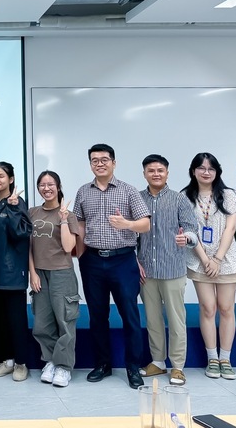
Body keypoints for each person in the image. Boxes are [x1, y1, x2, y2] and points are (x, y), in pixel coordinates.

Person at [72, 143, 150, 389]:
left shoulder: (129, 191)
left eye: (104, 159)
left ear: (114, 163)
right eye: (94, 160)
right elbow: (80, 224)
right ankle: (103, 364)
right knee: (97, 316)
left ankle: (133, 367)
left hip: (122, 260)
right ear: (90, 165)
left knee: (130, 315)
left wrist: (127, 224)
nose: (100, 164)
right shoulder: (83, 192)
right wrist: (81, 256)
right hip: (93, 261)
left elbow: (145, 224)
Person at [136, 154, 198, 387]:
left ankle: (178, 367)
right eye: (151, 170)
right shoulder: (137, 199)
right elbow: (131, 234)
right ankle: (158, 362)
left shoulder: (179, 199)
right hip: (146, 271)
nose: (156, 174)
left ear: (167, 173)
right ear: (144, 173)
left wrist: (187, 238)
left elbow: (192, 230)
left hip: (173, 269)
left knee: (176, 320)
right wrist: (135, 261)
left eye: (160, 170)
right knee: (152, 319)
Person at [182, 152, 236, 381]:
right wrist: (205, 259)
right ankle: (212, 358)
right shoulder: (185, 196)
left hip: (226, 259)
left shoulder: (228, 195)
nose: (206, 172)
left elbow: (230, 228)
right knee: (208, 308)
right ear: (193, 171)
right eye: (201, 168)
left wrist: (217, 259)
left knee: (226, 308)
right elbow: (189, 231)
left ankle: (225, 359)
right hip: (199, 260)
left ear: (217, 172)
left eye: (211, 168)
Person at [29, 171, 81, 388]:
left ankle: (64, 367)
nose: (46, 188)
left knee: (65, 321)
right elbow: (28, 247)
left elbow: (69, 247)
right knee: (42, 323)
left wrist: (63, 220)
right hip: (39, 274)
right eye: (42, 185)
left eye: (51, 184)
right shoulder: (32, 212)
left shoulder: (69, 215)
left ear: (58, 187)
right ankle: (50, 361)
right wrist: (32, 273)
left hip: (62, 274)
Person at [0, 162, 33, 382]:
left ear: (11, 179)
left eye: (1, 176)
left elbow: (21, 233)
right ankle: (6, 360)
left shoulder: (17, 202)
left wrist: (12, 209)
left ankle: (21, 363)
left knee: (16, 320)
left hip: (12, 273)